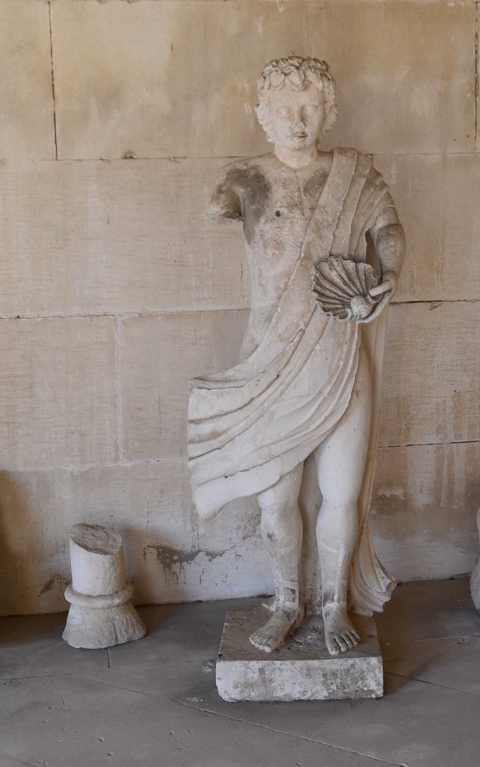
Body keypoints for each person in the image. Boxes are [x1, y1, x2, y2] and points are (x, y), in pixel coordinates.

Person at [187, 56, 406, 655]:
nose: (298, 120)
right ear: (263, 115)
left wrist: (388, 275)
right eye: (284, 109)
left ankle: (335, 605)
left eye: (310, 107)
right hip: (270, 362)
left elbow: (388, 229)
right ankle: (287, 601)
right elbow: (216, 209)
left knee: (342, 493)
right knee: (276, 498)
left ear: (328, 112)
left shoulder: (355, 177)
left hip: (339, 353)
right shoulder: (243, 180)